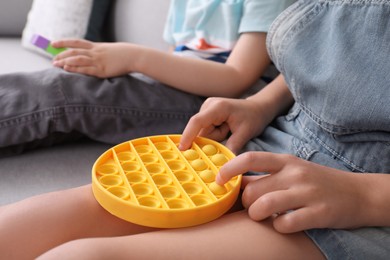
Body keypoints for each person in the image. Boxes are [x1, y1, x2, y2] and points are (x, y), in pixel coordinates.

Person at [1, 0, 389, 259]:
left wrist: (366, 196)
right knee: (17, 228)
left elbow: (235, 73)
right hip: (277, 137)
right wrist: (259, 105)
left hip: (362, 195)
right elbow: (337, 58)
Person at [0, 0, 294, 157]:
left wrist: (133, 57)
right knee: (64, 106)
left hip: (216, 107)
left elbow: (236, 78)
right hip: (178, 87)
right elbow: (176, 57)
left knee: (65, 92)